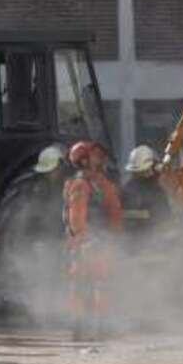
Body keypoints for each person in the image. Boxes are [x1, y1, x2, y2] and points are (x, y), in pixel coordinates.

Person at [63, 141, 123, 340]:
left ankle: (97, 327)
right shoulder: (81, 185)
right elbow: (77, 217)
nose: (100, 160)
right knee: (87, 287)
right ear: (84, 160)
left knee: (99, 285)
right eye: (95, 156)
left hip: (99, 242)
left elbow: (113, 211)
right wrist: (84, 241)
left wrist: (114, 238)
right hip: (88, 244)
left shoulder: (99, 182)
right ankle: (83, 329)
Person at [121, 145, 172, 245]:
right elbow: (165, 219)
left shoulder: (127, 188)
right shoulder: (155, 191)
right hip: (151, 246)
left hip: (130, 245)